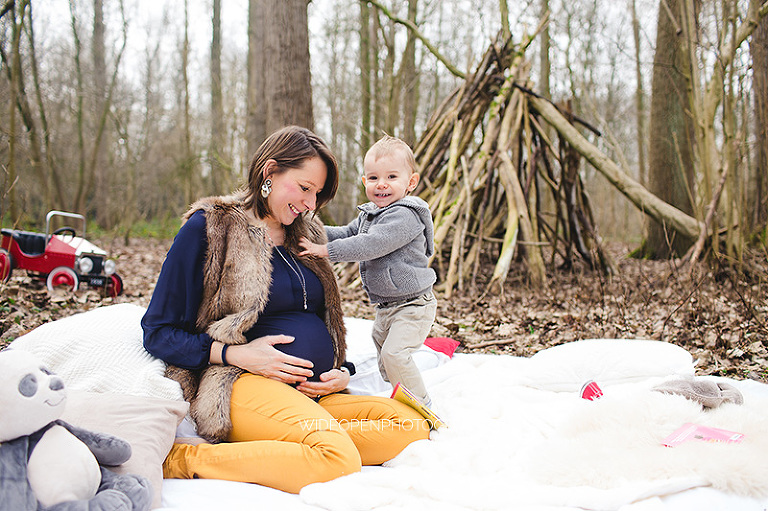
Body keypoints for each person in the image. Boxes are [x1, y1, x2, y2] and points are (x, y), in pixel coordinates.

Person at [141, 126, 429, 494]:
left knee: (411, 425)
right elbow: (158, 332)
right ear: (270, 171)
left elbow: (322, 319)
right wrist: (235, 353)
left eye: (318, 194)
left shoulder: (305, 233)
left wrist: (342, 371)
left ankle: (294, 443)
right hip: (242, 384)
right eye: (305, 188)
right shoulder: (211, 228)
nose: (311, 205)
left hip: (317, 393)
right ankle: (185, 461)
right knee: (337, 457)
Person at [299, 135, 438, 406]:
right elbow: (348, 233)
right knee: (388, 361)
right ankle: (402, 397)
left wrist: (326, 252)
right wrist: (311, 232)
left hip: (413, 305)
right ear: (365, 182)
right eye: (373, 178)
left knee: (395, 355)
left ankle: (423, 407)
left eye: (392, 177)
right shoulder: (371, 213)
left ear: (411, 182)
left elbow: (372, 244)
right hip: (386, 307)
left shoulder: (405, 215)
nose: (381, 184)